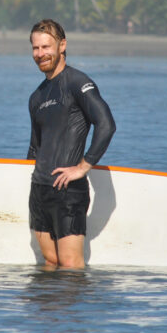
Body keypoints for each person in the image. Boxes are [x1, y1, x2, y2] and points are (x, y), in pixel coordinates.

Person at [26, 19, 116, 268]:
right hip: (40, 190)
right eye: (36, 48)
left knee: (70, 267)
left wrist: (83, 167)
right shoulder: (37, 97)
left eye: (46, 46)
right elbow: (35, 148)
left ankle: (79, 309)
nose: (41, 54)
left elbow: (106, 124)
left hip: (68, 192)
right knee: (50, 263)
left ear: (62, 45)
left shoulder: (78, 83)